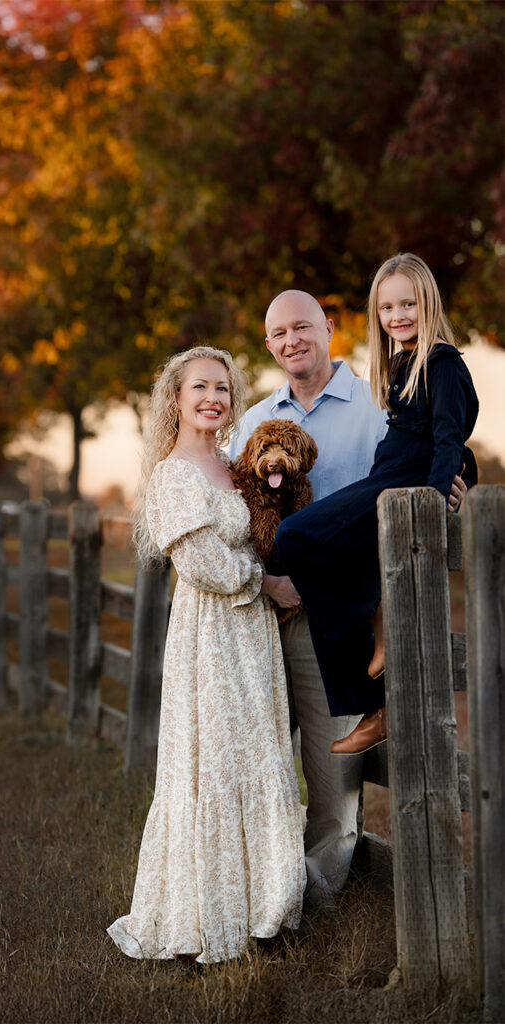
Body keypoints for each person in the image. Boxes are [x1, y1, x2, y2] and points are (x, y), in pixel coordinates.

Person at [228, 282, 469, 906]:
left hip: (336, 614)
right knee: (253, 763)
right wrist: (265, 583)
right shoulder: (254, 421)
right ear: (268, 344)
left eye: (303, 326)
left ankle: (314, 900)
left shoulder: (377, 397)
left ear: (329, 326)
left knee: (334, 782)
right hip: (263, 610)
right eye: (279, 333)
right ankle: (255, 893)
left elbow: (432, 445)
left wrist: (457, 477)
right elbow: (232, 516)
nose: (292, 340)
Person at [108, 346, 305, 964]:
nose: (213, 398)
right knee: (217, 760)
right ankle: (210, 916)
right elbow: (201, 564)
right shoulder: (173, 475)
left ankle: (265, 911)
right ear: (176, 399)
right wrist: (267, 585)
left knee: (261, 751)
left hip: (254, 637)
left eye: (222, 388)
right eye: (200, 388)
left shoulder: (231, 464)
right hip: (213, 634)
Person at [274, 253, 478, 756]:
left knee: (295, 535)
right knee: (310, 544)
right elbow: (433, 434)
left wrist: (434, 505)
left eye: (408, 303)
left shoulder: (443, 361)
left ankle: (371, 629)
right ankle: (372, 701)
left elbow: (450, 440)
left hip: (401, 489)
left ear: (427, 302)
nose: (398, 316)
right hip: (385, 477)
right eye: (387, 308)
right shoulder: (403, 363)